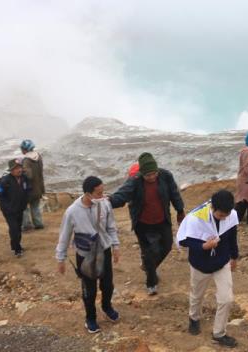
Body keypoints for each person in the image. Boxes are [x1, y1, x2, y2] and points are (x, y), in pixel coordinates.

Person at [109, 152, 185, 296]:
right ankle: (151, 282)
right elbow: (122, 195)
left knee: (167, 246)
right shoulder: (135, 180)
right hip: (143, 224)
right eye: (147, 175)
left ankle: (148, 266)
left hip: (162, 220)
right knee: (150, 252)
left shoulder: (166, 176)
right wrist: (109, 201)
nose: (151, 177)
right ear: (141, 173)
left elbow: (174, 193)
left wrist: (180, 210)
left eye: (154, 174)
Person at [56, 176, 120, 334]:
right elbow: (64, 235)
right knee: (89, 290)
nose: (102, 196)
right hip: (84, 255)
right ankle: (90, 318)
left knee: (107, 285)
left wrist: (115, 246)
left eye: (103, 192)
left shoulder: (104, 204)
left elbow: (111, 226)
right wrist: (60, 258)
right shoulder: (72, 211)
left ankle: (107, 306)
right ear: (88, 194)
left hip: (104, 250)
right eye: (98, 193)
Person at [178, 190, 240, 348]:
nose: (224, 218)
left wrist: (234, 256)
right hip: (200, 264)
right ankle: (194, 318)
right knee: (197, 295)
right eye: (220, 216)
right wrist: (204, 246)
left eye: (226, 215)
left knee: (226, 299)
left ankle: (219, 333)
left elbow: (232, 236)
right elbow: (185, 240)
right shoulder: (195, 218)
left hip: (222, 262)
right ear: (213, 208)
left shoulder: (230, 214)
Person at [0, 158, 30, 257]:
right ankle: (17, 250)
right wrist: (7, 208)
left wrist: (26, 202)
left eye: (20, 167)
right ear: (11, 170)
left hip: (20, 209)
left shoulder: (24, 178)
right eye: (16, 168)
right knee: (14, 228)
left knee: (18, 228)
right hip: (9, 211)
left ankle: (15, 245)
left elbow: (28, 189)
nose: (19, 170)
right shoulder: (5, 181)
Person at [20, 139, 45, 231]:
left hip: (29, 189)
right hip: (38, 187)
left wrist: (21, 171)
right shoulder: (39, 157)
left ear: (25, 149)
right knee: (35, 207)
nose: (21, 150)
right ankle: (39, 224)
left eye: (22, 148)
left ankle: (27, 225)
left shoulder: (26, 160)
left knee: (24, 207)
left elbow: (29, 175)